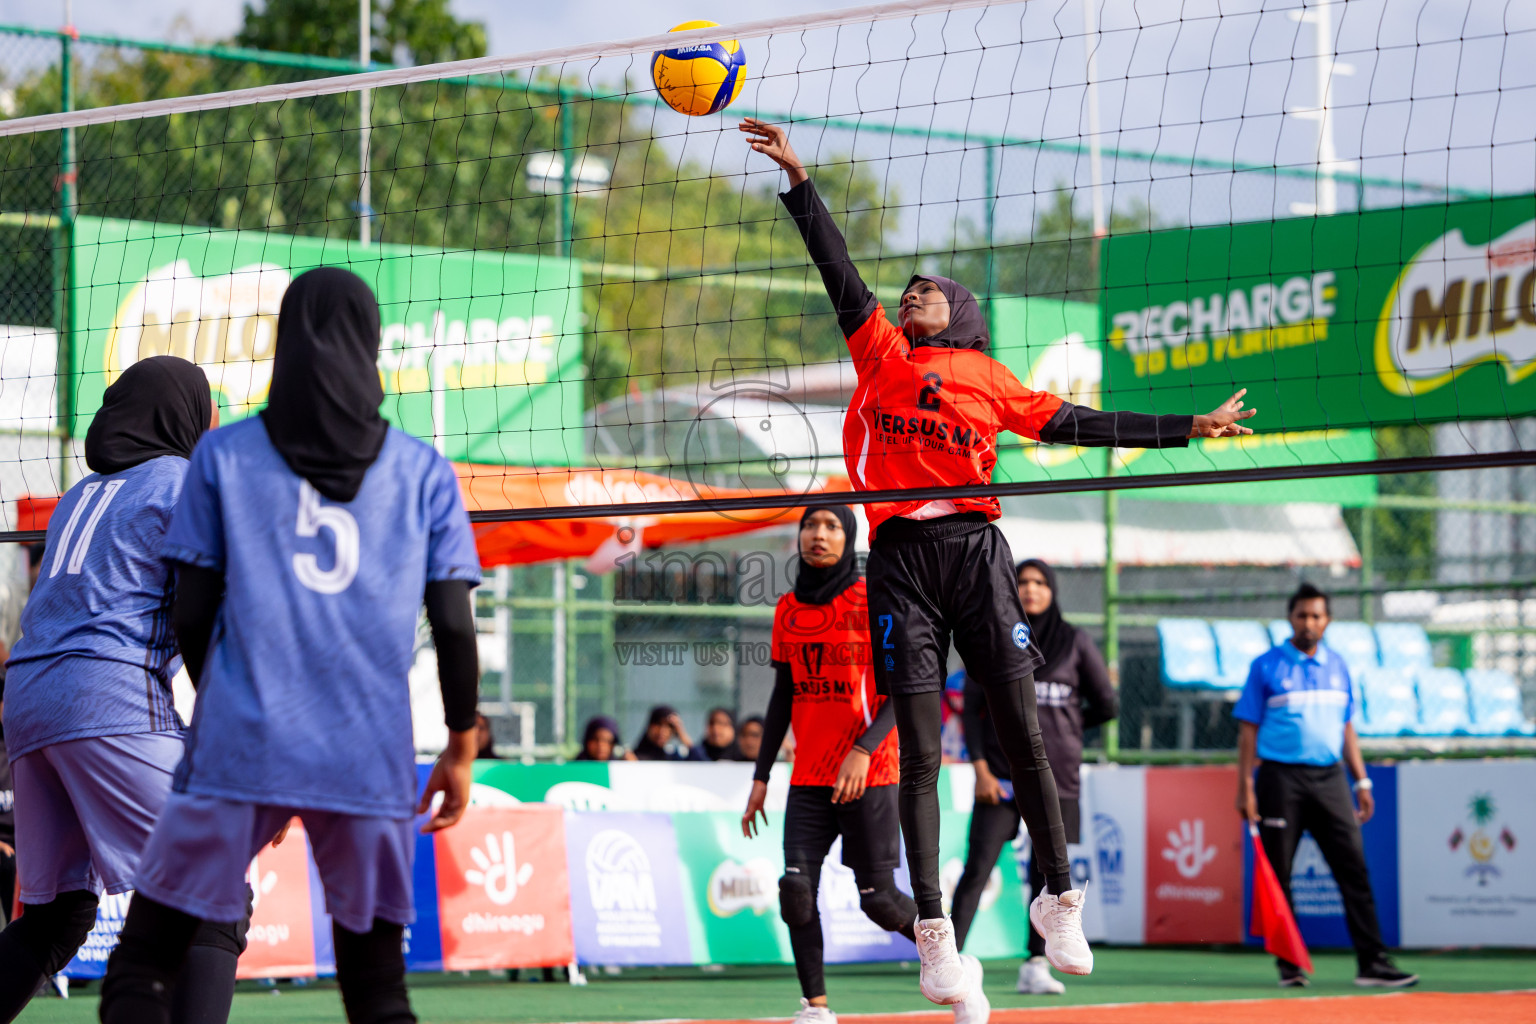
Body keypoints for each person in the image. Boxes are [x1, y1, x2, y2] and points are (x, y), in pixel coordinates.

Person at [743, 116, 1256, 1003]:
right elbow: (839, 272)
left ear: (965, 316)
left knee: (1022, 733)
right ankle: (936, 935)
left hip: (976, 551)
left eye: (928, 291)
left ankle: (1059, 895)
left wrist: (1189, 427)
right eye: (907, 291)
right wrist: (799, 186)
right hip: (901, 553)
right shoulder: (882, 356)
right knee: (918, 747)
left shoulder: (992, 379)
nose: (911, 296)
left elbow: (1090, 426)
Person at [97, 267, 484, 1024]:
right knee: (377, 991)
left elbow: (192, 610)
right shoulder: (422, 471)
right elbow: (455, 624)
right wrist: (462, 747)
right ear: (370, 346)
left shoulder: (223, 455)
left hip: (240, 739)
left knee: (144, 963)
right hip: (365, 747)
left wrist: (229, 712)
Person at [0, 357, 245, 1023]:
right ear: (182, 415)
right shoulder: (187, 484)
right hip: (105, 694)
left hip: (26, 702)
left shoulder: (81, 495)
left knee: (57, 916)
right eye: (208, 407)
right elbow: (196, 616)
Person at [743, 505, 989, 1024]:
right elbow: (782, 695)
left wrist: (864, 748)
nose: (818, 534)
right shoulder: (787, 608)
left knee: (877, 900)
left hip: (870, 773)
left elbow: (907, 687)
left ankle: (958, 969)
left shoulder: (871, 599)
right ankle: (816, 1008)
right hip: (809, 776)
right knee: (795, 891)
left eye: (831, 526)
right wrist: (761, 777)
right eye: (810, 525)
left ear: (849, 536)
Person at [1235, 583, 1417, 990]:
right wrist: (1245, 786)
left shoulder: (1338, 665)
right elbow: (1248, 731)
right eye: (1302, 615)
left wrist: (1362, 780)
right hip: (1280, 779)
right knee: (1280, 876)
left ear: (1328, 620)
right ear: (1290, 618)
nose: (1309, 622)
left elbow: (1347, 726)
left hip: (1331, 777)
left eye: (1317, 615)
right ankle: (1290, 965)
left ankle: (1373, 963)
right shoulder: (1266, 666)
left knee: (1354, 869)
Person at [951, 559, 1118, 995]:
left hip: (1056, 779)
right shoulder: (994, 636)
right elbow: (970, 707)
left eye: (1039, 582)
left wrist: (1069, 727)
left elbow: (1107, 703)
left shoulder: (1075, 642)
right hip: (1000, 780)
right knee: (977, 869)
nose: (1030, 589)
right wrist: (982, 768)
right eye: (1022, 582)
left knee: (1046, 876)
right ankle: (948, 959)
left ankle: (1035, 963)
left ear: (1053, 589)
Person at [632, 705, 706, 761]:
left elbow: (702, 764)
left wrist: (683, 735)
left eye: (669, 726)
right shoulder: (633, 758)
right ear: (649, 726)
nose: (662, 731)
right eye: (658, 724)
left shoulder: (673, 758)